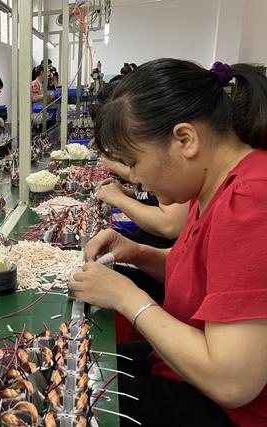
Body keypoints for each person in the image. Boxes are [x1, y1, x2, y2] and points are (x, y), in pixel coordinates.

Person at [71, 59, 267, 426]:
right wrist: (138, 253)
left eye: (133, 161)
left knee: (69, 408)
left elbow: (232, 382)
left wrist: (126, 297)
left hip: (229, 411)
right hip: (187, 372)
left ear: (185, 140)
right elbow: (209, 277)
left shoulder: (251, 200)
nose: (133, 178)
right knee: (73, 367)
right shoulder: (212, 185)